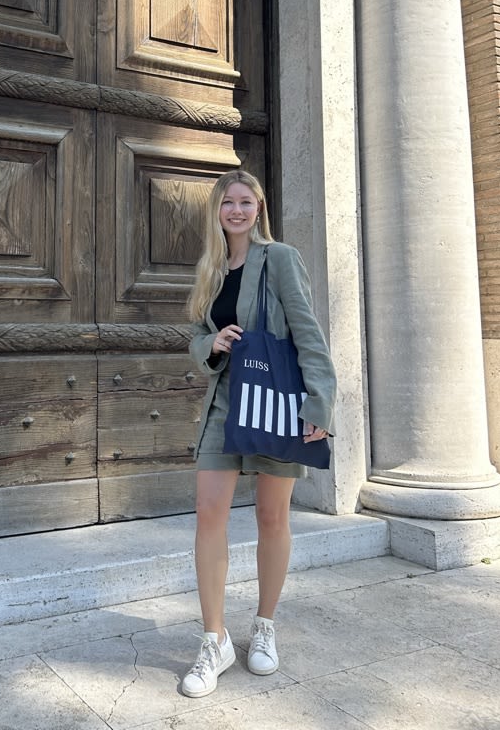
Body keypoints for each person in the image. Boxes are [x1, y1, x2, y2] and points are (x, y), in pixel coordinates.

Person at [181, 169, 336, 698]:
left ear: (260, 207)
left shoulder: (281, 258)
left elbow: (309, 333)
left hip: (275, 403)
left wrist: (320, 402)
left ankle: (265, 625)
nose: (237, 211)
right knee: (209, 514)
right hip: (226, 401)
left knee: (272, 516)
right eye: (228, 202)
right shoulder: (210, 268)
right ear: (217, 210)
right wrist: (212, 343)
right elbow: (197, 338)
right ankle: (214, 640)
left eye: (246, 202)